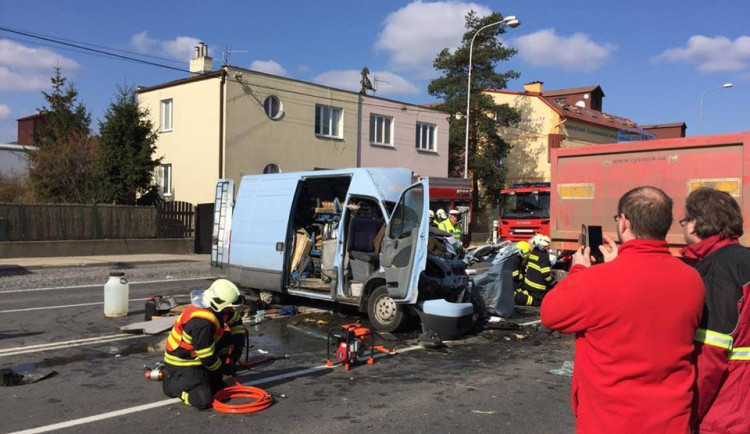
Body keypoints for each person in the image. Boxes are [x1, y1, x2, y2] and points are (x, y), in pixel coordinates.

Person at [541, 186, 705, 434]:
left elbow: (551, 313)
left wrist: (579, 270)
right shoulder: (691, 279)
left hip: (609, 421)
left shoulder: (597, 280)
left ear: (624, 222)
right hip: (672, 419)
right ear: (666, 225)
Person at [680, 187, 750, 434]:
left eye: (685, 219)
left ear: (695, 224)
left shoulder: (716, 270)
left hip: (728, 407)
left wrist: (688, 416)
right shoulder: (744, 260)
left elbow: (710, 352)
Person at [162, 279, 247, 409]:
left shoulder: (219, 309)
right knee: (203, 400)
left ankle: (207, 377)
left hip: (200, 354)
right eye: (230, 307)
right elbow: (207, 358)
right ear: (219, 303)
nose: (231, 310)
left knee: (219, 388)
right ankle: (172, 385)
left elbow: (235, 319)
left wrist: (238, 343)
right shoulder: (202, 324)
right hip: (183, 362)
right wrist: (223, 368)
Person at [514, 234, 553, 306]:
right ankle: (519, 298)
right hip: (538, 288)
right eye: (547, 246)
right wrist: (552, 281)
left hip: (528, 284)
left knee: (528, 293)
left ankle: (517, 294)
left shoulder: (533, 253)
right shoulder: (544, 257)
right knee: (541, 302)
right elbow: (546, 274)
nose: (548, 248)